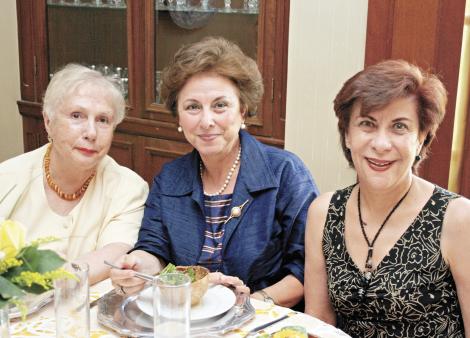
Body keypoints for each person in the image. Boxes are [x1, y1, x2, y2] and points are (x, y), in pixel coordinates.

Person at [110, 37, 319, 307]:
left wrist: (251, 305)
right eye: (193, 107)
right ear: (179, 117)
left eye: (220, 105)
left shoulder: (284, 173)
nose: (206, 121)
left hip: (264, 323)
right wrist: (137, 265)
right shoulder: (170, 178)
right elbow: (154, 248)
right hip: (191, 320)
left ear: (243, 110)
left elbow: (306, 271)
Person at [304, 60, 470, 337]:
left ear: (422, 138)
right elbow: (319, 321)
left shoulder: (458, 219)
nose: (381, 144)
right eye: (367, 124)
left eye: (399, 127)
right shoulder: (324, 212)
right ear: (347, 134)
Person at [0, 64, 149, 285]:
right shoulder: (7, 178)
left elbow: (116, 253)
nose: (91, 133)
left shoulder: (128, 188)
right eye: (77, 116)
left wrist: (39, 283)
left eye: (103, 120)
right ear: (49, 122)